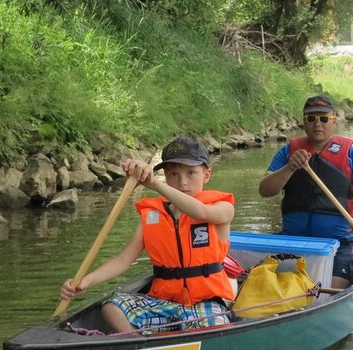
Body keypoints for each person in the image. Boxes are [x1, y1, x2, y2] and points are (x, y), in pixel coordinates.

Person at [60, 137, 236, 334]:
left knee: (209, 330)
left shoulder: (222, 207)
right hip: (163, 302)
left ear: (206, 175)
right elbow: (123, 260)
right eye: (173, 174)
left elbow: (200, 213)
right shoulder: (153, 216)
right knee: (112, 307)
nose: (182, 182)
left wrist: (154, 184)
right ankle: (135, 344)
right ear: (166, 176)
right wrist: (85, 281)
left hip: (205, 302)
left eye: (191, 173)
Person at [258, 94, 353, 289]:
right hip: (293, 241)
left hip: (338, 243)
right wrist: (289, 168)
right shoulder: (287, 153)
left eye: (324, 118)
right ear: (304, 122)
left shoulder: (352, 155)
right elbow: (265, 190)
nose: (318, 124)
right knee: (267, 284)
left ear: (334, 121)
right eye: (311, 118)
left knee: (332, 289)